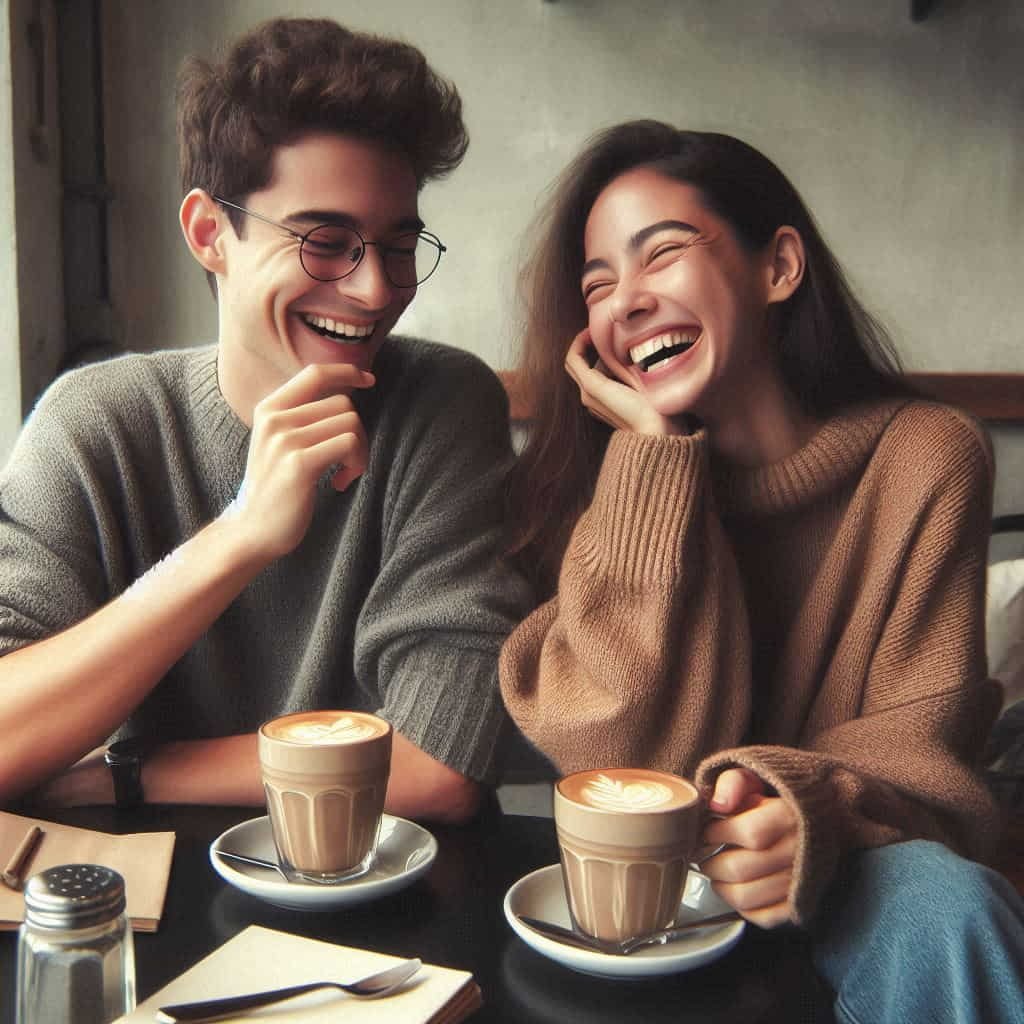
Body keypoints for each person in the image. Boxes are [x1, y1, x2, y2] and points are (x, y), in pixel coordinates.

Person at [500, 120, 1024, 1022]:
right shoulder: (595, 494)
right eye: (598, 286)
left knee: (950, 905)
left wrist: (805, 807)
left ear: (779, 267)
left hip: (854, 869)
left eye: (660, 254)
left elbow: (929, 753)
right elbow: (613, 756)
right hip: (640, 895)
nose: (624, 303)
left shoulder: (926, 457)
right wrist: (654, 463)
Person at [0, 17, 529, 822]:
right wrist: (240, 535)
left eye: (397, 245)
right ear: (211, 234)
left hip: (391, 907)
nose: (375, 290)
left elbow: (441, 766)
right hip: (155, 909)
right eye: (325, 241)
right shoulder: (94, 424)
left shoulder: (443, 405)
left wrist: (132, 771)